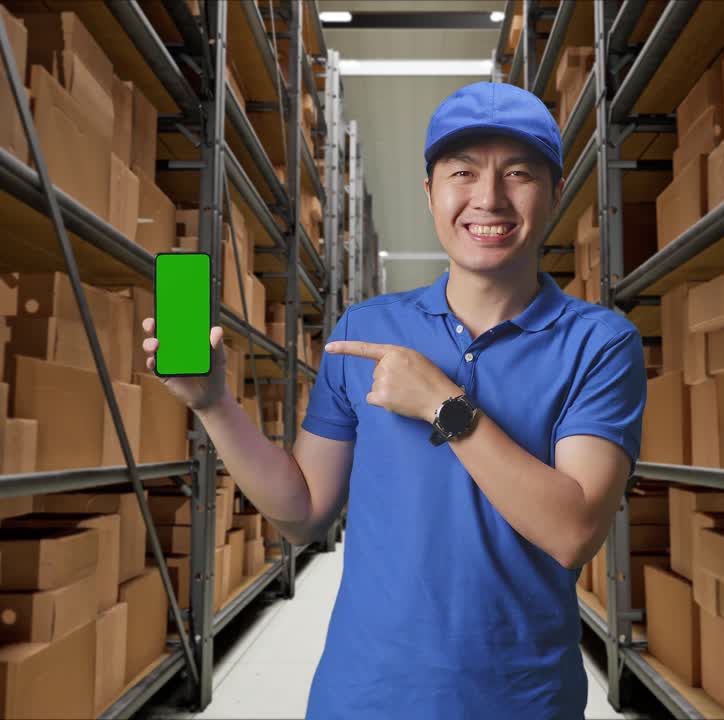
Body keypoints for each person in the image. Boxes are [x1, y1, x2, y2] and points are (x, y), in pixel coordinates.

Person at [141, 81, 646, 719]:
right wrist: (214, 403)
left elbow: (572, 531)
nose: (488, 198)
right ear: (430, 191)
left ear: (552, 192)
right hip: (364, 696)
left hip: (522, 701)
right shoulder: (364, 330)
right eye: (462, 173)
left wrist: (446, 406)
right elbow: (302, 513)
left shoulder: (599, 344)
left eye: (517, 174)